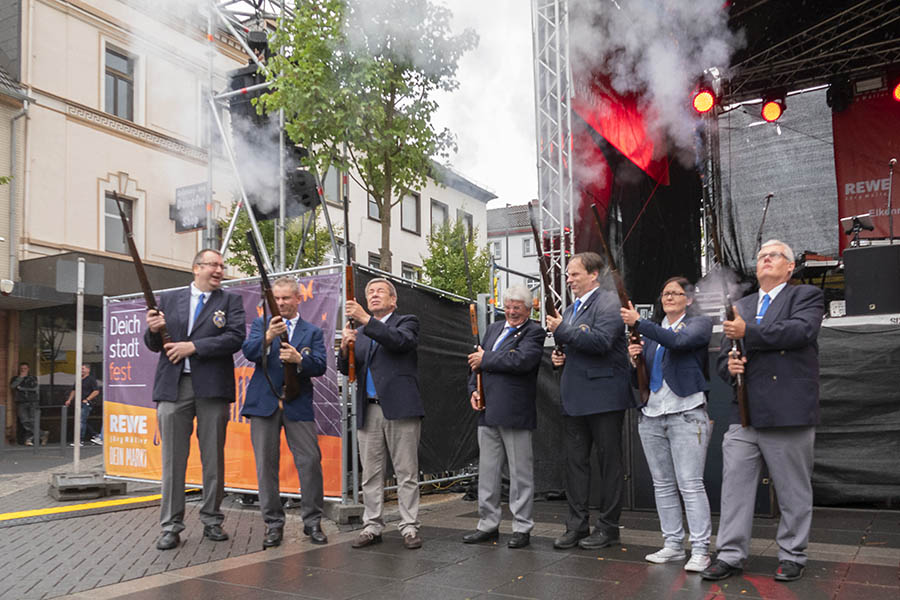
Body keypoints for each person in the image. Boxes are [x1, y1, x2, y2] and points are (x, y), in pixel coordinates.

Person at [701, 240, 824, 583]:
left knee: (792, 489)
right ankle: (729, 554)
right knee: (735, 487)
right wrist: (730, 364)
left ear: (790, 267)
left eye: (775, 255)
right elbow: (725, 356)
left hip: (787, 411)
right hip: (745, 413)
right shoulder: (743, 304)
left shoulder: (805, 297)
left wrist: (748, 332)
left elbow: (800, 331)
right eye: (761, 256)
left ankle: (792, 554)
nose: (766, 259)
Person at [144, 248, 246, 551]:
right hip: (174, 387)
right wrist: (151, 331)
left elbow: (235, 337)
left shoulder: (230, 301)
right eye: (213, 265)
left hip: (212, 388)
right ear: (196, 268)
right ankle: (171, 526)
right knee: (173, 460)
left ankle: (212, 520)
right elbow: (155, 344)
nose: (219, 270)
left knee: (212, 457)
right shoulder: (171, 299)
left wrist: (194, 347)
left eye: (221, 266)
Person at [620, 277, 714, 572]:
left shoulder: (699, 324)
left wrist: (639, 323)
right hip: (652, 413)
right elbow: (637, 379)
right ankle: (673, 544)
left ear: (689, 299)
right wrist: (633, 360)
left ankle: (700, 549)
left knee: (690, 483)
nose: (669, 297)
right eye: (665, 293)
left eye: (675, 293)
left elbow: (679, 342)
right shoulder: (650, 336)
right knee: (662, 485)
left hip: (686, 412)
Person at [546, 252, 632, 550]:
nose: (568, 280)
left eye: (574, 274)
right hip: (575, 397)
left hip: (604, 396)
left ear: (594, 274)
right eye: (568, 274)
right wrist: (561, 357)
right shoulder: (570, 311)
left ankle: (608, 527)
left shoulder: (609, 302)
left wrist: (563, 330)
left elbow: (601, 342)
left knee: (609, 464)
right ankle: (577, 525)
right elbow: (573, 344)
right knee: (575, 465)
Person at [241, 276, 328, 548]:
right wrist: (268, 336)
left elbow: (321, 365)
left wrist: (299, 360)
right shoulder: (260, 325)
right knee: (266, 465)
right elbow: (249, 352)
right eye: (276, 299)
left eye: (286, 298)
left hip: (297, 402)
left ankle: (312, 521)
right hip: (264, 403)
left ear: (297, 299)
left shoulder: (312, 331)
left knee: (310, 462)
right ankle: (273, 524)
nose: (280, 303)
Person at [338, 278, 424, 550]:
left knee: (406, 472)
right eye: (369, 292)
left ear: (393, 300)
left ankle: (409, 526)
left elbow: (399, 342)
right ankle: (372, 524)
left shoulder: (406, 321)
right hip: (369, 408)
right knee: (371, 473)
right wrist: (344, 347)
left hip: (400, 408)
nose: (373, 296)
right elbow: (346, 369)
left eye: (380, 292)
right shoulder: (361, 331)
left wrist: (365, 320)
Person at [461, 285, 545, 549]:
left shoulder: (534, 331)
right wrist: (473, 390)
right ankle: (487, 524)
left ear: (528, 309)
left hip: (515, 412)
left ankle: (522, 527)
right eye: (508, 307)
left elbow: (521, 361)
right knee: (487, 473)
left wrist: (486, 358)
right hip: (486, 411)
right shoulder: (495, 329)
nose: (511, 312)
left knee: (520, 475)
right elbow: (475, 364)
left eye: (517, 308)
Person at [10, 362, 45, 446]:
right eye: (22, 369)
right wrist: (21, 378)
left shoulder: (32, 378)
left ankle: (29, 440)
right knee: (24, 421)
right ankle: (42, 434)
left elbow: (35, 388)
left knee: (32, 421)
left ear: (28, 369)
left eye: (25, 368)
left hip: (33, 401)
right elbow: (13, 386)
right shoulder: (15, 378)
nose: (23, 370)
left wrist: (21, 388)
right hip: (21, 402)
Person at [65, 364, 100, 446]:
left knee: (81, 421)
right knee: (81, 420)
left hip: (86, 403)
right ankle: (95, 435)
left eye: (83, 369)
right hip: (78, 403)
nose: (82, 370)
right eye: (80, 369)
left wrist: (87, 399)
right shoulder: (78, 379)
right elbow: (74, 390)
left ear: (88, 370)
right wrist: (69, 400)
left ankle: (80, 440)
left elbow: (96, 391)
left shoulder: (91, 379)